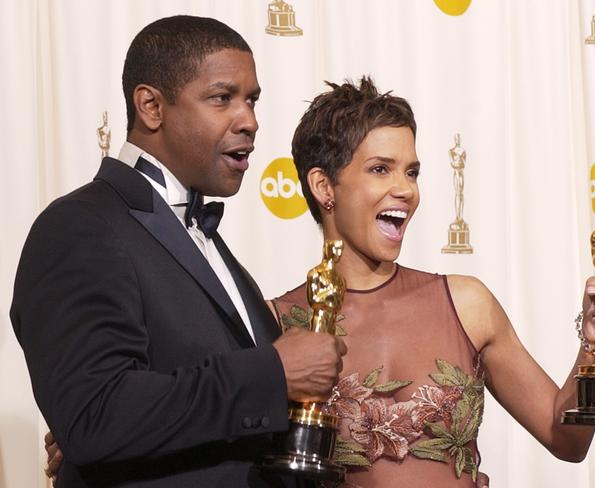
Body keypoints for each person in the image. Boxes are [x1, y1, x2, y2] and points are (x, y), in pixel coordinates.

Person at [11, 15, 346, 488]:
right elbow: (94, 414)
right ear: (151, 106)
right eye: (221, 98)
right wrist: (272, 371)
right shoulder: (79, 226)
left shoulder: (206, 240)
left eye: (251, 100)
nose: (249, 121)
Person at [269, 77, 595, 487]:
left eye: (411, 172)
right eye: (381, 169)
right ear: (324, 185)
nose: (405, 190)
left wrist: (593, 345)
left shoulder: (466, 303)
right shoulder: (276, 323)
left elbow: (566, 441)